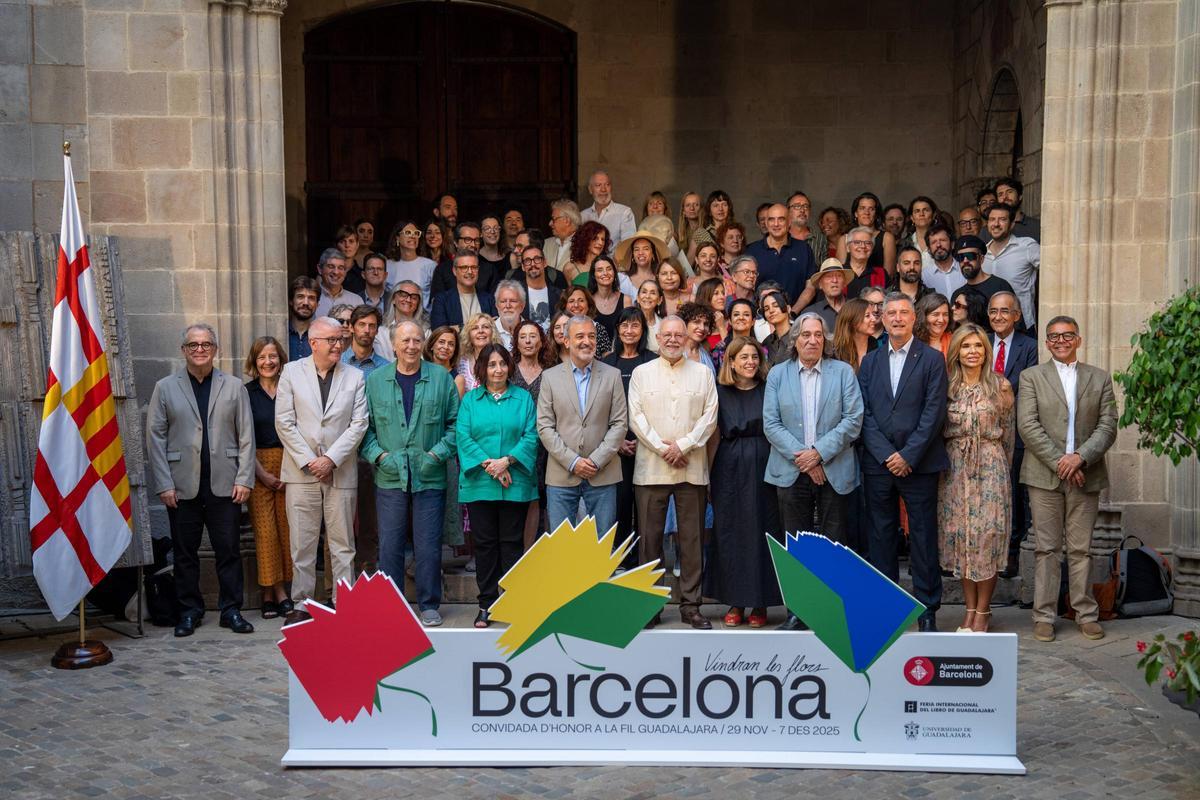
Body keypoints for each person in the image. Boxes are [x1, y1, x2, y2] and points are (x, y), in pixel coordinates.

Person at [147, 324, 256, 637]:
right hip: (181, 488)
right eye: (193, 344)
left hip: (226, 484)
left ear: (215, 349)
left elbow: (246, 435)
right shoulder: (165, 387)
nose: (199, 349)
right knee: (184, 554)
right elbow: (155, 438)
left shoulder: (234, 386)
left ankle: (231, 610)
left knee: (229, 551)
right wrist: (164, 484)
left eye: (206, 344)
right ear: (184, 350)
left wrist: (245, 478)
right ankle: (189, 611)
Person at [1018, 316, 1117, 642]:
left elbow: (1108, 426)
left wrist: (1080, 458)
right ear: (1046, 342)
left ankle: (1085, 613)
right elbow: (1028, 425)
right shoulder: (1031, 376)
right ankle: (1044, 615)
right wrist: (1061, 461)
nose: (1061, 341)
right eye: (1054, 336)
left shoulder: (1100, 378)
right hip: (1044, 475)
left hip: (1085, 474)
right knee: (1046, 549)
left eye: (1067, 335)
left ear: (1078, 339)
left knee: (1081, 549)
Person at [764, 314, 864, 630]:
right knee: (797, 545)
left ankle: (831, 611)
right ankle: (799, 611)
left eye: (818, 334)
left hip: (834, 468)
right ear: (795, 339)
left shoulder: (843, 372)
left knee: (834, 543)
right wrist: (804, 460)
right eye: (805, 334)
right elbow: (771, 423)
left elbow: (853, 419)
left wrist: (818, 455)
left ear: (825, 339)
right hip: (791, 471)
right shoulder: (778, 375)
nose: (812, 340)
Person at [858, 293, 949, 631]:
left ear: (915, 319)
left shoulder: (931, 359)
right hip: (879, 464)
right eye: (890, 313)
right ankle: (886, 608)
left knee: (923, 537)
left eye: (903, 313)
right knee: (881, 537)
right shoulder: (870, 361)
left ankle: (927, 609)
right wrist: (886, 454)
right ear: (882, 319)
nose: (896, 318)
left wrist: (908, 454)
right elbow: (863, 413)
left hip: (919, 462)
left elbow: (933, 412)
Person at [360, 321, 459, 628]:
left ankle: (429, 604)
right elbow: (364, 428)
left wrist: (436, 455)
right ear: (393, 344)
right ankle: (393, 605)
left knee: (428, 544)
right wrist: (380, 456)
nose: (412, 346)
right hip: (390, 476)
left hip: (429, 474)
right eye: (406, 340)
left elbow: (456, 426)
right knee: (390, 544)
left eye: (417, 340)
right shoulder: (375, 381)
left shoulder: (441, 378)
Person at [275, 316, 368, 623]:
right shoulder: (290, 372)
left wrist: (331, 459)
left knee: (343, 545)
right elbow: (284, 422)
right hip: (301, 473)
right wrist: (310, 461)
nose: (338, 345)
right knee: (302, 543)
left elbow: (359, 424)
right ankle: (301, 603)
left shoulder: (354, 376)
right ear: (313, 343)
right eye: (332, 340)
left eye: (340, 339)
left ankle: (345, 604)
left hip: (340, 472)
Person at [628, 316, 719, 629]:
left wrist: (683, 446)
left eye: (678, 334)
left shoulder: (703, 374)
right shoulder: (641, 374)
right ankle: (648, 606)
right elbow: (636, 418)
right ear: (657, 336)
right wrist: (664, 448)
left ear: (686, 337)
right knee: (649, 541)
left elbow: (710, 418)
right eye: (666, 334)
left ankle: (691, 606)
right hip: (651, 470)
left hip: (691, 468)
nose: (672, 339)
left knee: (692, 541)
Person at [938, 323, 1015, 633]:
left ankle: (984, 611)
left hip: (991, 468)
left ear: (986, 350)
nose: (972, 351)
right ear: (957, 351)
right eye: (966, 346)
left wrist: (999, 467)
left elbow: (1008, 434)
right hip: (954, 470)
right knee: (963, 540)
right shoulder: (946, 387)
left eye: (978, 345)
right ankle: (969, 610)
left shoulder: (1001, 387)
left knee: (987, 538)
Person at [456, 343, 539, 628]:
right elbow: (463, 436)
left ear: (509, 366)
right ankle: (487, 604)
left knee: (512, 543)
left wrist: (507, 462)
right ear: (482, 368)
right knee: (485, 544)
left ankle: (513, 602)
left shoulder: (523, 399)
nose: (498, 369)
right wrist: (490, 466)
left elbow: (531, 435)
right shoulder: (470, 400)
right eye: (491, 364)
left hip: (514, 482)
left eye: (502, 363)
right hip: (480, 483)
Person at [706, 336, 781, 628]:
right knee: (731, 534)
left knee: (763, 531)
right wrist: (709, 477)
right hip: (729, 466)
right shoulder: (719, 391)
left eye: (753, 356)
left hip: (765, 462)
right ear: (731, 362)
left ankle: (760, 602)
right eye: (743, 357)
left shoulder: (768, 389)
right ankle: (735, 601)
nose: (749, 362)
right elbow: (712, 436)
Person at [537, 315, 627, 536]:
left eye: (591, 336)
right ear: (566, 341)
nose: (587, 341)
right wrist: (573, 461)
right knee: (562, 546)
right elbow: (545, 426)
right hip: (561, 473)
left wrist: (595, 461)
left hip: (602, 472)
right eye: (580, 336)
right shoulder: (549, 377)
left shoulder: (612, 375)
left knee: (601, 544)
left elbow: (619, 423)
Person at [988, 291, 1037, 577]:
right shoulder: (982, 341)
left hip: (1015, 430)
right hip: (984, 431)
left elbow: (1026, 380)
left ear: (1017, 316)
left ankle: (1013, 552)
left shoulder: (1028, 346)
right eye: (993, 311)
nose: (998, 316)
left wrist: (996, 389)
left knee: (1014, 495)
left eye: (1005, 311)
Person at [243, 336, 292, 619]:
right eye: (262, 357)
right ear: (254, 361)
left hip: (290, 465)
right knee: (265, 533)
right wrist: (261, 474)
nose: (268, 362)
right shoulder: (246, 393)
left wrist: (287, 471)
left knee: (287, 532)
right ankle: (271, 592)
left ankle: (279, 591)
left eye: (273, 356)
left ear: (281, 359)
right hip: (257, 466)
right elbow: (241, 437)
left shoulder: (290, 389)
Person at [602, 308, 657, 555]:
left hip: (648, 444)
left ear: (643, 330)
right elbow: (600, 406)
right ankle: (622, 556)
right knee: (620, 504)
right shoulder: (606, 363)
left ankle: (644, 558)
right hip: (616, 445)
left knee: (646, 505)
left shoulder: (652, 361)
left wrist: (645, 438)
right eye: (624, 325)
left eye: (635, 326)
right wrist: (617, 440)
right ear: (617, 329)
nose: (629, 331)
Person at [511, 319, 559, 548]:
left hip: (546, 446)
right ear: (516, 342)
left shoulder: (552, 372)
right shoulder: (508, 371)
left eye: (533, 336)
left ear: (542, 341)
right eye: (523, 336)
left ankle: (538, 550)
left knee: (540, 499)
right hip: (514, 445)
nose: (528, 341)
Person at [746, 203, 816, 309]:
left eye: (781, 219)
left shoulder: (803, 249)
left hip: (797, 317)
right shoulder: (752, 251)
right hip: (761, 318)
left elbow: (811, 287)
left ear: (789, 222)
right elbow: (746, 289)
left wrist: (793, 313)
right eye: (771, 219)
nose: (776, 224)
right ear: (766, 223)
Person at [984, 203, 1041, 331]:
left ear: (1012, 224)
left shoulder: (1027, 246)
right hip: (990, 325)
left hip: (1022, 325)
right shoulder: (981, 254)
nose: (996, 224)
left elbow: (1052, 270)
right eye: (992, 219)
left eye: (1002, 219)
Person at [430, 249, 498, 329]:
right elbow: (439, 331)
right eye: (464, 267)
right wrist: (480, 325)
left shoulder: (489, 299)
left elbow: (496, 328)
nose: (470, 271)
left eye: (474, 267)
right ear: (454, 271)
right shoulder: (442, 300)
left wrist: (456, 328)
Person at [836, 192, 896, 276]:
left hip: (879, 286)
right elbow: (841, 273)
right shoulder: (844, 239)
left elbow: (888, 274)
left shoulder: (887, 238)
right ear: (856, 213)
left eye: (871, 209)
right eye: (862, 208)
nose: (866, 212)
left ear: (876, 214)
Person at [950, 234, 1014, 313]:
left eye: (970, 256)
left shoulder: (1000, 286)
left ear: (981, 259)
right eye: (960, 257)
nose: (965, 261)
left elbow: (1016, 321)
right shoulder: (957, 295)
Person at [511, 243, 565, 332]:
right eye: (527, 260)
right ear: (523, 267)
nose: (533, 264)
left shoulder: (558, 295)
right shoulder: (515, 294)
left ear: (545, 263)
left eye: (537, 259)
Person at [385, 220, 437, 308]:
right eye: (408, 232)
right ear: (397, 237)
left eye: (416, 233)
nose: (413, 236)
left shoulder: (430, 265)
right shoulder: (387, 266)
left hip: (422, 319)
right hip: (393, 319)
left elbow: (436, 298)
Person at [581, 169, 636, 247]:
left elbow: (628, 247)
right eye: (598, 185)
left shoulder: (624, 213)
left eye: (607, 184)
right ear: (590, 190)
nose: (603, 189)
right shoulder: (583, 216)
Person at [376, 279, 430, 359]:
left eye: (414, 297)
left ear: (418, 304)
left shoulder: (426, 333)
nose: (408, 300)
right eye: (403, 295)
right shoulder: (381, 332)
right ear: (393, 299)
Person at [557, 285, 614, 356]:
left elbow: (607, 360)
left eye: (581, 300)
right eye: (571, 301)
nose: (576, 305)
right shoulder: (557, 329)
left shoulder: (599, 329)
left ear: (588, 305)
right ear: (564, 306)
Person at [457, 312, 501, 396]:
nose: (480, 331)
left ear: (493, 332)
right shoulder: (460, 362)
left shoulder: (502, 358)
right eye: (475, 328)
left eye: (485, 327)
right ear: (468, 334)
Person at [802, 259, 853, 331]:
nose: (835, 280)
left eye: (839, 276)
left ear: (844, 283)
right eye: (829, 276)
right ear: (820, 284)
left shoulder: (856, 309)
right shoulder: (810, 313)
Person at [314, 248, 364, 318]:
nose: (336, 272)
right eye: (331, 266)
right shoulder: (310, 299)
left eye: (340, 268)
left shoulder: (356, 301)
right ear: (320, 269)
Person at [588, 255, 627, 342]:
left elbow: (628, 331)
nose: (605, 273)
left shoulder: (625, 299)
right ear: (594, 275)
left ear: (614, 272)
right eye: (600, 270)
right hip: (594, 353)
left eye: (609, 269)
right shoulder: (588, 300)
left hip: (619, 352)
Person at [919, 224, 964, 299]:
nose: (938, 245)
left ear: (952, 244)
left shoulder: (964, 270)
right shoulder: (924, 276)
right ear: (929, 250)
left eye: (942, 240)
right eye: (933, 242)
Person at [843, 226, 889, 299]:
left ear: (872, 248)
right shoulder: (839, 273)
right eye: (857, 242)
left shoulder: (881, 274)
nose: (863, 246)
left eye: (868, 243)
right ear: (848, 247)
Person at [341, 305, 389, 375]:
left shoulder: (386, 368)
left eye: (372, 326)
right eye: (362, 324)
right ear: (351, 327)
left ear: (377, 331)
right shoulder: (338, 362)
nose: (367, 330)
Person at [787, 190, 829, 267]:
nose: (802, 210)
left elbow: (824, 270)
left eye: (806, 206)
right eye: (797, 206)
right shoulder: (781, 237)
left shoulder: (820, 239)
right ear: (788, 211)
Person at [994, 176, 1040, 242]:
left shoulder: (1037, 226)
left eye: (1009, 192)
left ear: (1020, 196)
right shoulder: (989, 229)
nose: (1005, 197)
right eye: (1000, 194)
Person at [678, 301, 717, 374]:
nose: (702, 328)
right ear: (684, 323)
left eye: (706, 324)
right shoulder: (673, 351)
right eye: (696, 322)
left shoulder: (707, 352)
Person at [759, 290, 794, 367]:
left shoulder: (799, 336)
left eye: (776, 306)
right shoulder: (767, 342)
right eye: (766, 309)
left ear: (788, 309)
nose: (771, 311)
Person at [288, 276, 320, 361]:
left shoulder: (321, 336)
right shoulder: (281, 332)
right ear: (291, 301)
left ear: (317, 304)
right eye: (300, 297)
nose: (306, 303)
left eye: (311, 298)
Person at [545, 198, 580, 273]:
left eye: (554, 219)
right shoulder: (546, 244)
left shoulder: (583, 244)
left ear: (567, 221)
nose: (550, 223)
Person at [493, 280, 526, 349]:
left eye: (513, 301)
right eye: (503, 301)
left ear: (522, 306)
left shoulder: (532, 331)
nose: (508, 306)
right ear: (497, 306)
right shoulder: (489, 331)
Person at [634, 279, 665, 353]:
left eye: (653, 293)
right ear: (638, 298)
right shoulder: (628, 322)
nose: (647, 296)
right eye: (644, 292)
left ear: (660, 300)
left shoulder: (664, 324)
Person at [335, 224, 365, 295]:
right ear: (336, 245)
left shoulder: (363, 275)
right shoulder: (327, 274)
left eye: (351, 241)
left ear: (357, 245)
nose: (347, 245)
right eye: (342, 241)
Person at [478, 215, 510, 280]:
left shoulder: (509, 257)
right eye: (487, 228)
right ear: (480, 233)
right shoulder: (476, 257)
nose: (492, 232)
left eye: (496, 228)